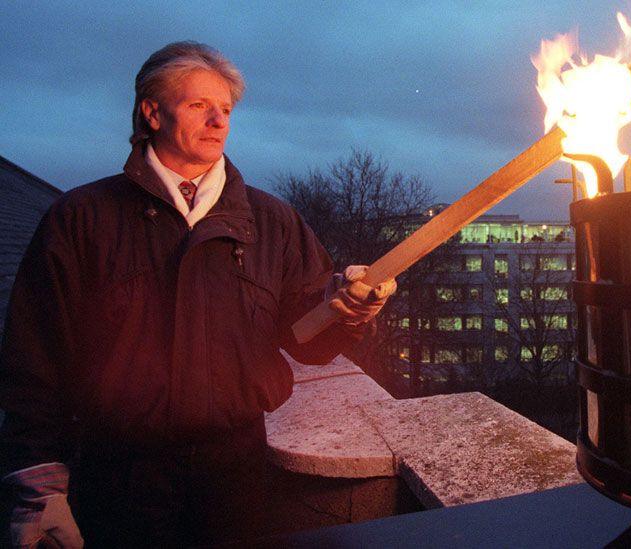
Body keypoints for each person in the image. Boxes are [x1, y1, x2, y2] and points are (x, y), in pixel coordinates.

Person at [0, 41, 395, 547]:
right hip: (118, 482)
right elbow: (37, 360)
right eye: (198, 106)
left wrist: (348, 309)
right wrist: (40, 486)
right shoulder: (83, 218)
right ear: (152, 112)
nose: (218, 121)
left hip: (237, 479)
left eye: (226, 109)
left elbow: (306, 342)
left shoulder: (271, 221)